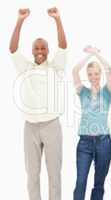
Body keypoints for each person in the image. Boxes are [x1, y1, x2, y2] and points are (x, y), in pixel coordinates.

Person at [9, 7, 67, 200]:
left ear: (48, 50)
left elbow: (63, 46)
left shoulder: (55, 68)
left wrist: (57, 19)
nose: (40, 51)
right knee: (32, 176)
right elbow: (13, 49)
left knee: (54, 175)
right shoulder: (26, 68)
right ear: (32, 51)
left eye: (43, 48)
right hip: (30, 127)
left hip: (51, 125)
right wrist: (20, 20)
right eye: (37, 48)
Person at [72, 46, 111, 200]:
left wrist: (97, 53)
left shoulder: (107, 91)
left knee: (99, 183)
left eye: (96, 74)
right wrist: (88, 56)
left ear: (100, 74)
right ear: (87, 76)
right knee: (81, 181)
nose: (93, 77)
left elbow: (109, 68)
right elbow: (75, 71)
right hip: (85, 143)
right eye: (90, 74)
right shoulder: (82, 91)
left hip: (104, 142)